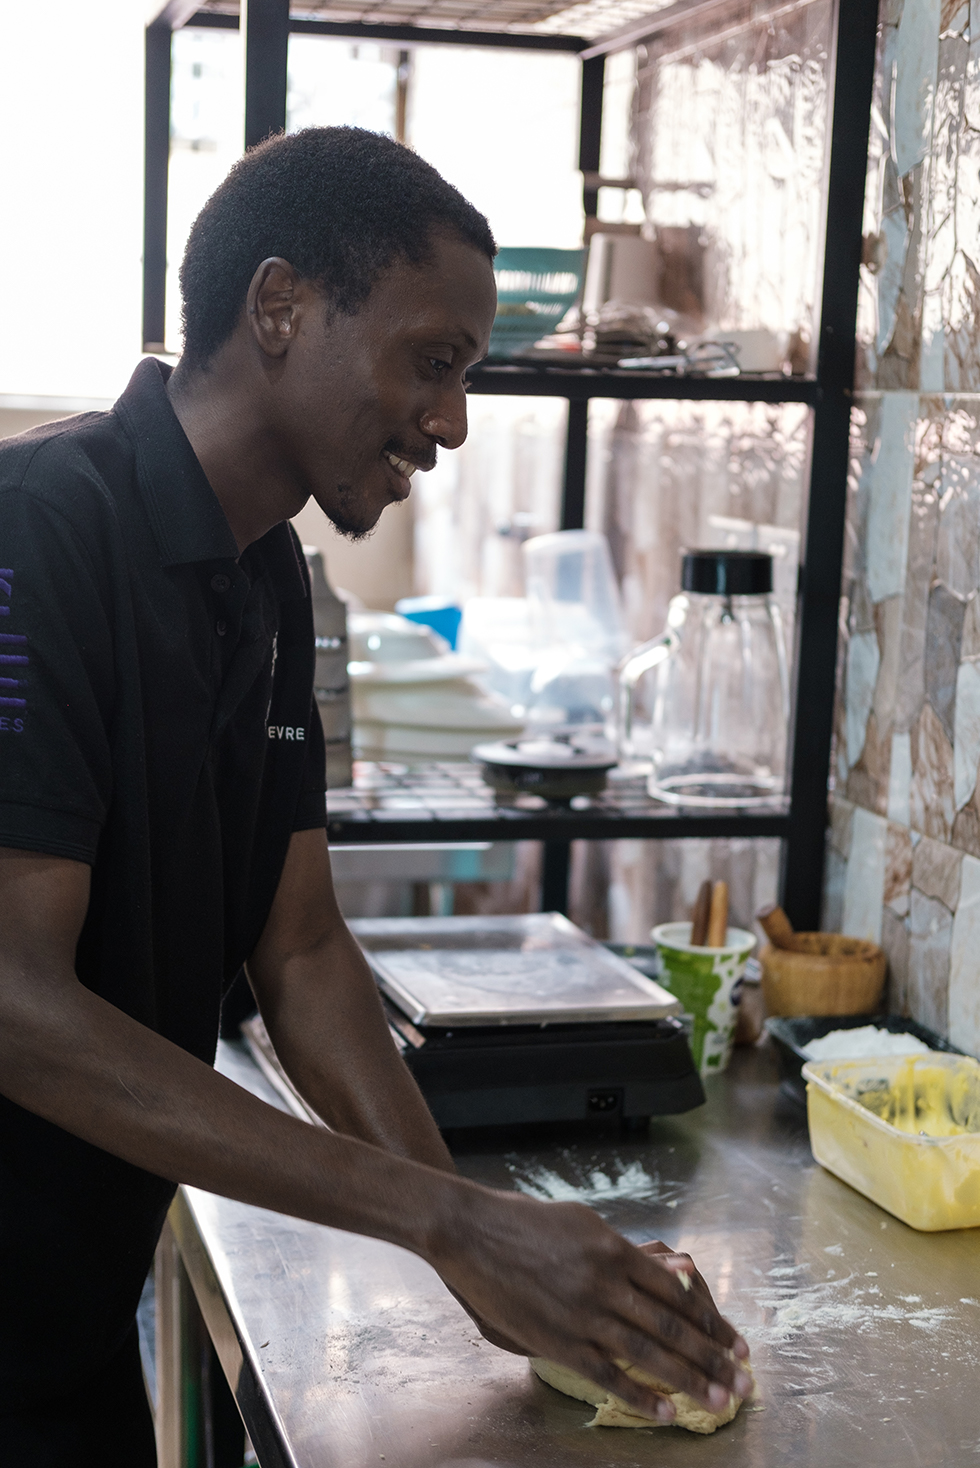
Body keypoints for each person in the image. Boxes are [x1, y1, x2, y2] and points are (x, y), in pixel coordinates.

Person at [0, 127, 751, 1466]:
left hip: (61, 1325)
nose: (454, 421)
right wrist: (443, 1224)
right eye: (432, 361)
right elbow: (13, 1000)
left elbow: (301, 951)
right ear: (279, 307)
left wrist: (471, 1244)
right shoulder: (39, 530)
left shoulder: (271, 582)